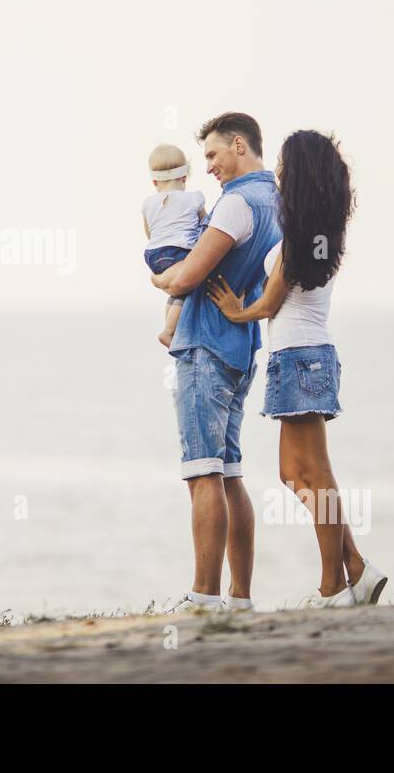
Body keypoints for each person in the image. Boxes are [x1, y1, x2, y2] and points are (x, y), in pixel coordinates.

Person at [206, 129, 387, 608]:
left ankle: (334, 586)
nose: (280, 174)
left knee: (310, 476)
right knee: (302, 475)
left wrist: (233, 310)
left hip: (297, 357)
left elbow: (268, 303)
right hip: (310, 357)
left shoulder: (303, 238)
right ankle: (356, 570)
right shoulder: (321, 232)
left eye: (285, 168)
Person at [150, 112, 281, 613]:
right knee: (228, 472)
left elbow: (187, 275)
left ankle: (203, 597)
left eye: (212, 155)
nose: (207, 168)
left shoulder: (237, 204)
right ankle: (239, 598)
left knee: (202, 471)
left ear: (239, 145)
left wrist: (162, 280)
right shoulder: (276, 202)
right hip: (242, 342)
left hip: (206, 345)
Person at [141, 144, 207, 347]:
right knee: (188, 288)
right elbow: (205, 227)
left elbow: (149, 232)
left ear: (154, 181)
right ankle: (169, 331)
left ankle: (169, 327)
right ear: (184, 178)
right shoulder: (194, 198)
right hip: (178, 250)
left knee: (175, 291)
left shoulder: (148, 203)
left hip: (153, 254)